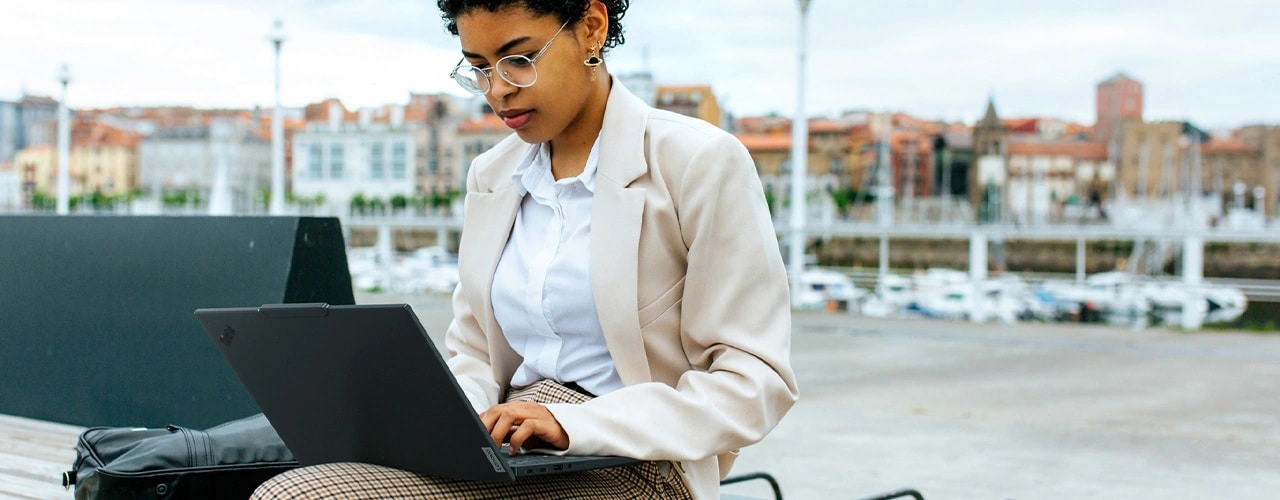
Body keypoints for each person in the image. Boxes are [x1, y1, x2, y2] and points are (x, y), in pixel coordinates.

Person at [252, 0, 797, 498]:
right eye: (479, 67)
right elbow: (475, 354)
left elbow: (754, 383)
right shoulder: (492, 175)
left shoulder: (697, 162)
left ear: (591, 28)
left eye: (517, 59)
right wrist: (438, 417)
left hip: (639, 460)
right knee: (286, 485)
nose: (497, 90)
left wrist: (571, 424)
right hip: (509, 442)